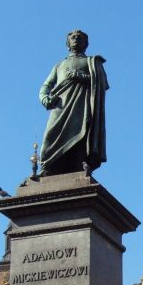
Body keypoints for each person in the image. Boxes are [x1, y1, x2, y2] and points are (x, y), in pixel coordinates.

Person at [39, 29, 108, 176]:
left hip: (81, 105)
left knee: (81, 131)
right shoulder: (59, 65)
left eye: (79, 38)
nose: (76, 39)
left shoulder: (92, 62)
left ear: (85, 44)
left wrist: (80, 76)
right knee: (50, 134)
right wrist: (45, 98)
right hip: (61, 104)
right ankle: (47, 165)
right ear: (68, 43)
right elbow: (46, 85)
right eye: (73, 37)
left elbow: (102, 83)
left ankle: (80, 162)